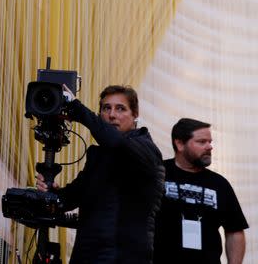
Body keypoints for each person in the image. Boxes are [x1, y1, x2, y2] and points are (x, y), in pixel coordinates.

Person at [36, 85, 165, 263]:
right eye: (106, 108)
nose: (112, 115)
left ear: (135, 115)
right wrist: (53, 193)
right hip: (88, 255)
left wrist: (76, 107)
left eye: (120, 108)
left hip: (125, 257)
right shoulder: (100, 156)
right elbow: (71, 198)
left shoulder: (146, 148)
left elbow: (116, 143)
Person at [153, 118, 248, 264]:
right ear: (179, 144)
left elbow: (235, 230)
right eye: (202, 142)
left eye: (210, 142)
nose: (209, 147)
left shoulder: (219, 184)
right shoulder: (157, 174)